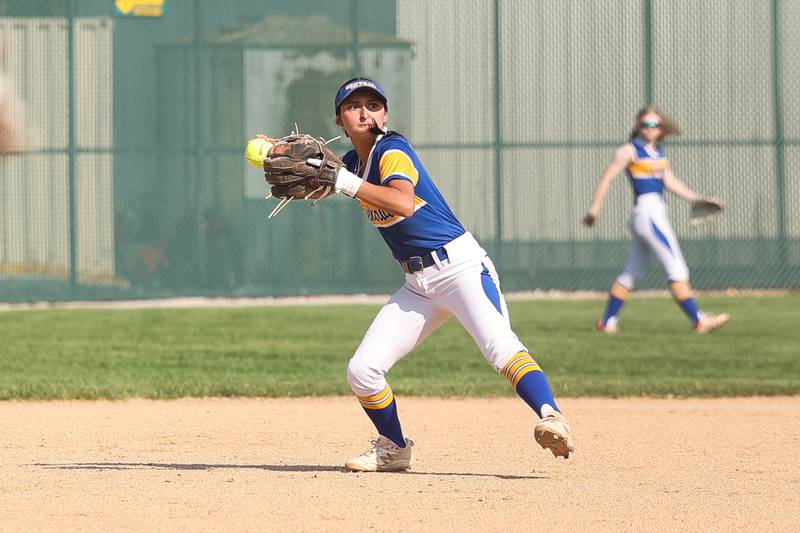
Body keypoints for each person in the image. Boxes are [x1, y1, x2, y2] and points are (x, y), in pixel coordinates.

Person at [324, 77, 575, 471]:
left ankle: (552, 417)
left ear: (385, 115)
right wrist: (277, 152)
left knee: (499, 347)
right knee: (362, 371)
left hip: (460, 268)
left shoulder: (392, 150)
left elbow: (402, 203)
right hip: (417, 285)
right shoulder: (354, 164)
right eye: (353, 106)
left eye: (374, 105)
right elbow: (321, 176)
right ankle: (394, 447)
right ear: (340, 120)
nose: (365, 113)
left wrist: (346, 183)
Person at [583, 106, 729, 335]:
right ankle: (700, 321)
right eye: (646, 124)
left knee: (632, 272)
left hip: (654, 212)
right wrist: (594, 209)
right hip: (647, 213)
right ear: (637, 126)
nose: (650, 129)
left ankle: (607, 323)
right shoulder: (630, 150)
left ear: (661, 128)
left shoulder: (658, 152)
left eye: (655, 125)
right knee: (676, 267)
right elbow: (606, 179)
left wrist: (695, 199)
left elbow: (669, 181)